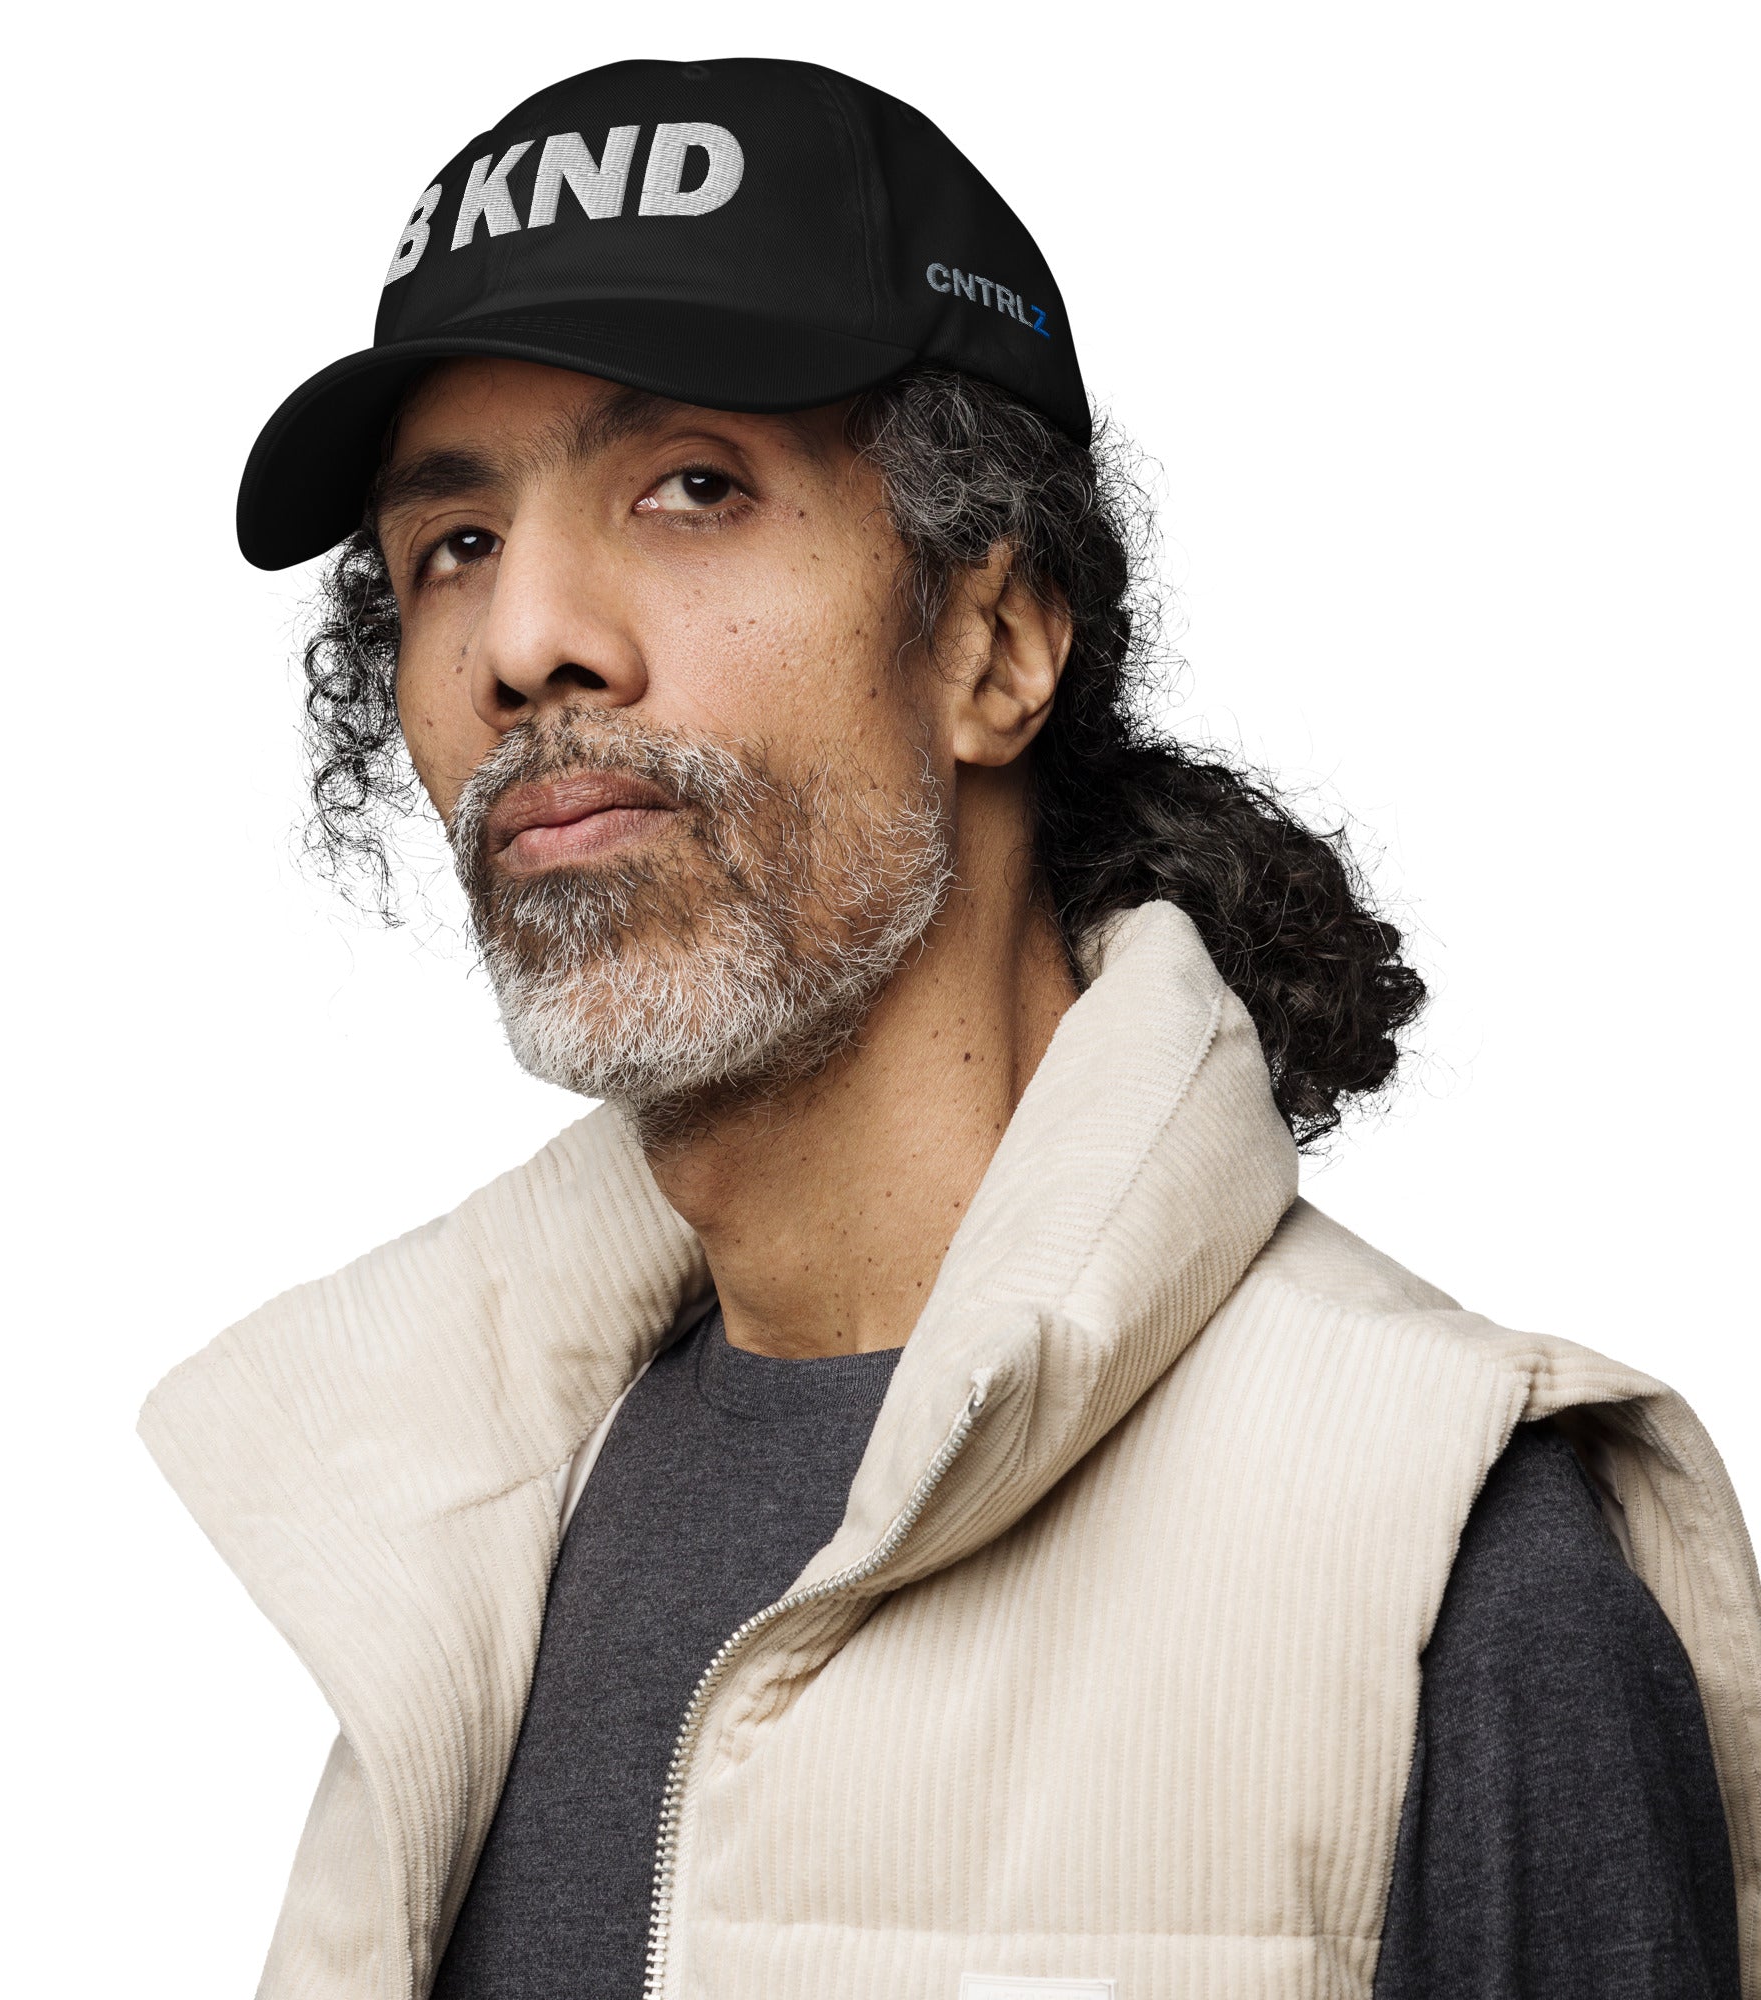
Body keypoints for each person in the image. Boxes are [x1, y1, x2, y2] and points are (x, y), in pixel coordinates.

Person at [140, 56, 1761, 2000]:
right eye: (452, 545)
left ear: (996, 640)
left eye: (690, 488)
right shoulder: (448, 1533)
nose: (522, 638)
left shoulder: (1437, 1558)